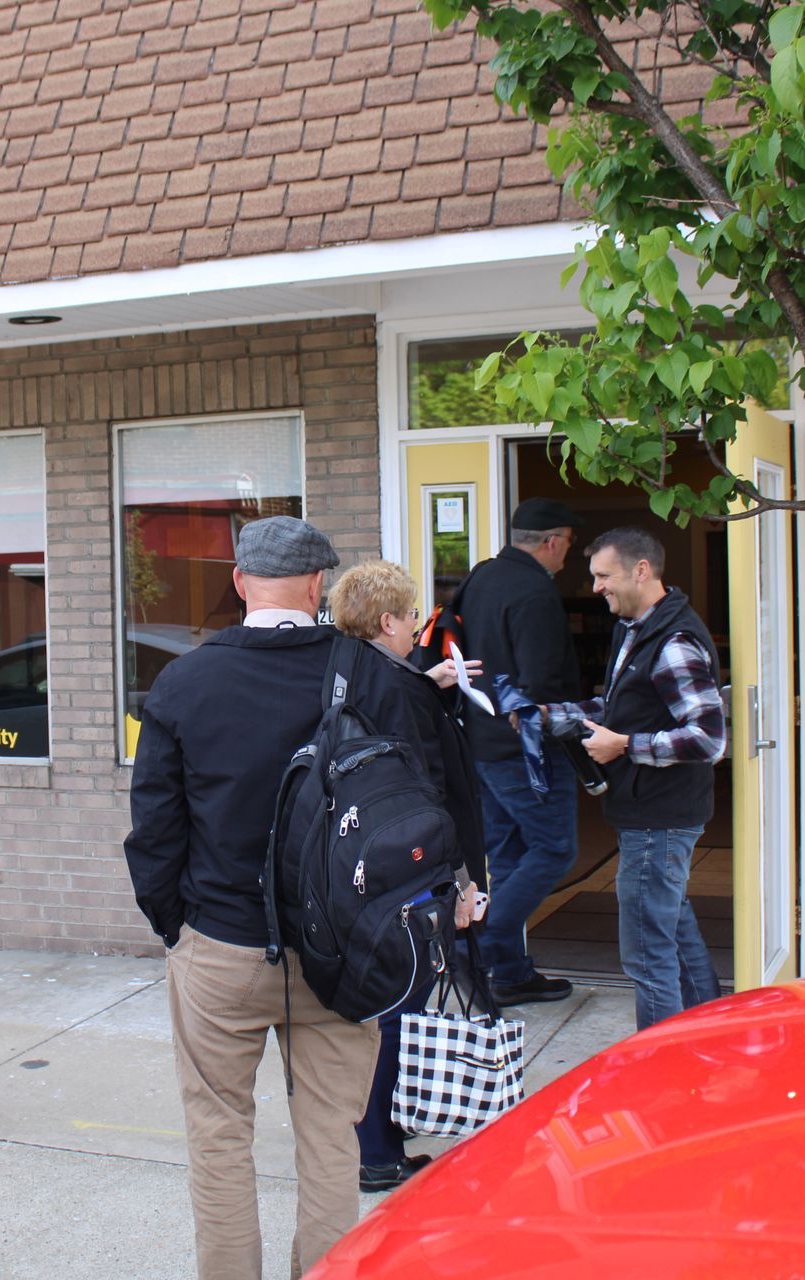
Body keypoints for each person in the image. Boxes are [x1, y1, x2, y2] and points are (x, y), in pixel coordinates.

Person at [124, 517, 450, 1279]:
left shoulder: (182, 682)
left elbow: (154, 832)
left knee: (218, 1137)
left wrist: (178, 927)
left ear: (240, 582)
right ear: (318, 587)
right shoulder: (371, 674)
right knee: (332, 1140)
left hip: (222, 945)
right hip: (344, 951)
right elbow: (425, 806)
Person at [327, 560, 486, 1195]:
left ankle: (376, 1138)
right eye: (412, 616)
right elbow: (429, 788)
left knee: (379, 1002)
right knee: (398, 1006)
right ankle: (378, 1152)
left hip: (359, 862)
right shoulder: (401, 688)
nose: (417, 626)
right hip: (408, 871)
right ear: (388, 620)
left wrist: (431, 681)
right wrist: (462, 880)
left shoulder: (345, 667)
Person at [549, 527, 724, 1031]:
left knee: (648, 959)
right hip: (652, 816)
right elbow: (621, 708)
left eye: (604, 576)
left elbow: (709, 740)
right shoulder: (636, 628)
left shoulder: (673, 642)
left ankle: (657, 1072)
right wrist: (542, 714)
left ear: (640, 571)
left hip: (658, 819)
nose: (596, 586)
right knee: (672, 930)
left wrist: (625, 745)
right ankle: (708, 1030)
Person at [457, 496, 586, 1004]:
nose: (566, 557)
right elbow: (540, 683)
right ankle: (480, 949)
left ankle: (508, 974)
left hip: (481, 744)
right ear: (552, 542)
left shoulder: (481, 576)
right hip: (525, 750)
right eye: (568, 546)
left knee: (508, 857)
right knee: (555, 849)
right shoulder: (535, 592)